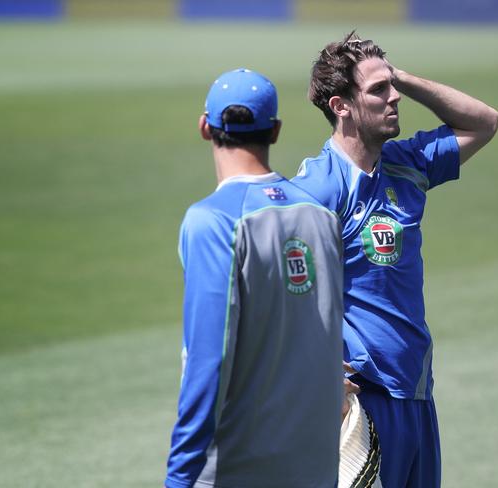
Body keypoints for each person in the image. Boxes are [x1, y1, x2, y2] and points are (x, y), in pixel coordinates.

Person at [291, 32, 498, 488]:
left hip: (417, 392)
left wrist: (397, 74)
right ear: (340, 105)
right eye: (378, 90)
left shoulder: (408, 163)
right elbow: (285, 295)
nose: (394, 97)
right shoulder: (317, 190)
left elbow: (484, 122)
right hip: (363, 399)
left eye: (393, 86)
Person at [165, 68, 345, 488]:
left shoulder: (211, 221)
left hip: (238, 468)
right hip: (315, 466)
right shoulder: (322, 216)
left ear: (205, 128)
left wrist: (179, 477)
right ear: (276, 131)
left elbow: (208, 360)